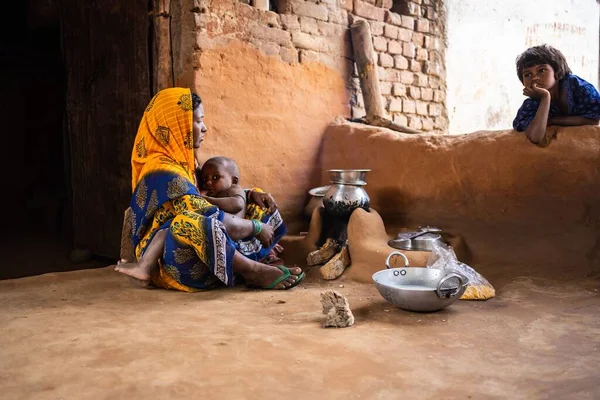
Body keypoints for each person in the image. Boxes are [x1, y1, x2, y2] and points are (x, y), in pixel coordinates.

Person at [114, 87, 304, 291]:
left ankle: (244, 262)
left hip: (208, 245)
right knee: (187, 223)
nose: (204, 128)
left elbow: (212, 194)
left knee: (258, 202)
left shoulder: (186, 161)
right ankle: (253, 270)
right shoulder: (162, 170)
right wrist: (255, 227)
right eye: (197, 121)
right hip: (175, 261)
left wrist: (250, 194)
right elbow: (203, 211)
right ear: (176, 124)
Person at [197, 156, 287, 262]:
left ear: (234, 181)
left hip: (243, 238)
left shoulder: (234, 189)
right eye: (204, 179)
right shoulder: (217, 194)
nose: (208, 182)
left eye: (215, 177)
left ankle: (266, 256)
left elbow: (237, 204)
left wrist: (206, 199)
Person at [512, 44, 600, 145]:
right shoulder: (531, 104)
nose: (534, 78)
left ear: (557, 72)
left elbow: (593, 120)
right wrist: (545, 97)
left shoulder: (578, 87)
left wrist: (553, 120)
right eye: (527, 74)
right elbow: (535, 137)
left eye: (542, 70)